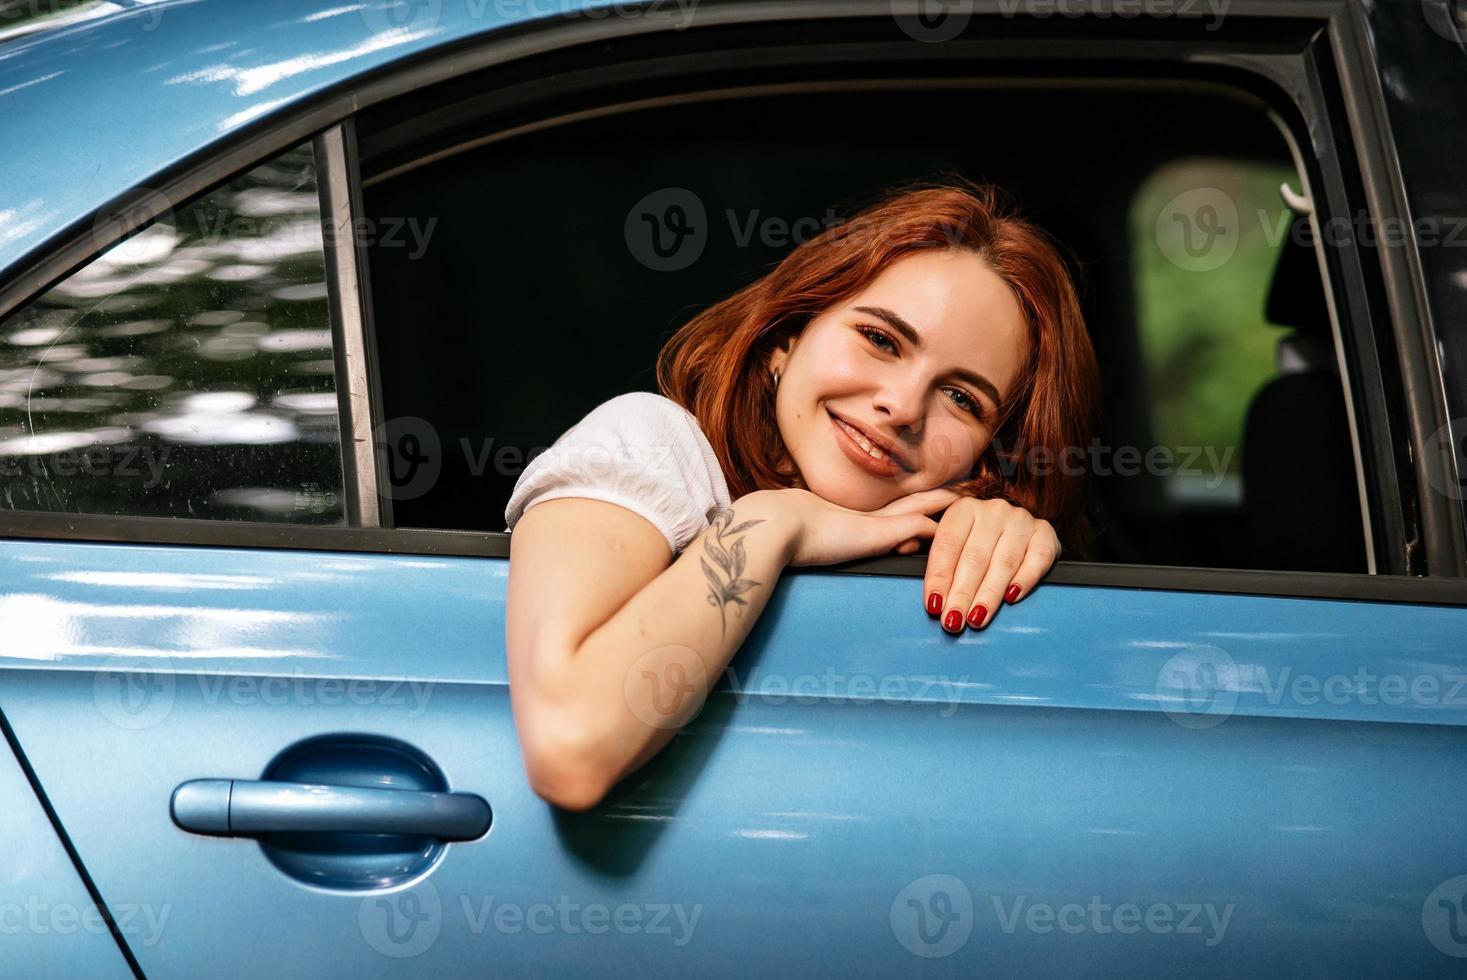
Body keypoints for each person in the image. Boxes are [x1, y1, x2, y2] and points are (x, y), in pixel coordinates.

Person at [503, 176, 1100, 810]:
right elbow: (571, 746)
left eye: (962, 398)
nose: (901, 406)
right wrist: (773, 523)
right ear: (787, 338)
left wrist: (996, 544)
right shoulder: (652, 442)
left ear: (991, 454)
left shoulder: (946, 531)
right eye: (879, 339)